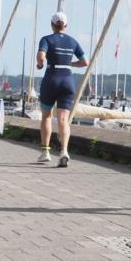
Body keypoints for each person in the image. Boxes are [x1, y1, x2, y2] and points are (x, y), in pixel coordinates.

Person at [36, 12, 88, 167]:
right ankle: (64, 151)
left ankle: (45, 152)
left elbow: (41, 56)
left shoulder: (46, 39)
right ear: (66, 25)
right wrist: (70, 64)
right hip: (67, 80)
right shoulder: (73, 41)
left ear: (52, 25)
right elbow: (85, 61)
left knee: (46, 116)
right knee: (63, 119)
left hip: (51, 78)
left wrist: (40, 65)